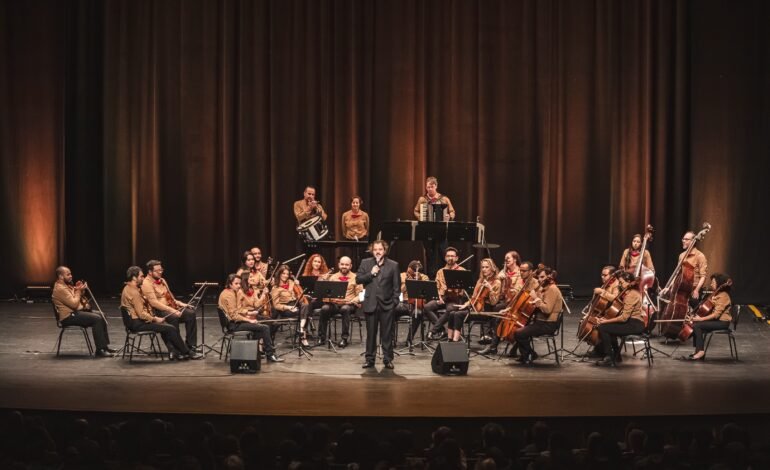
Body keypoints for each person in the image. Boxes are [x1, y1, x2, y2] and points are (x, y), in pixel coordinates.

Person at [121, 266, 202, 360]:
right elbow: (141, 314)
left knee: (168, 327)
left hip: (137, 321)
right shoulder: (134, 292)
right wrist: (155, 319)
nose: (142, 278)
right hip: (137, 323)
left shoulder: (129, 288)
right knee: (170, 328)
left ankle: (183, 351)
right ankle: (186, 352)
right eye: (141, 276)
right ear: (134, 278)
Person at [51, 266, 115, 357]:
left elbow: (76, 298)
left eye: (71, 274)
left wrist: (79, 289)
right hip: (68, 317)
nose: (71, 276)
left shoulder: (66, 285)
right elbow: (74, 304)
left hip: (74, 313)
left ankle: (104, 347)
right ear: (61, 276)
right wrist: (78, 291)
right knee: (97, 319)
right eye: (68, 274)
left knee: (102, 315)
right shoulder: (60, 288)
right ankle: (100, 350)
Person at [218, 273, 283, 362]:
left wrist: (248, 313)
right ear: (230, 284)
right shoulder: (229, 295)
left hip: (237, 321)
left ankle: (258, 349)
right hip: (234, 325)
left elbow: (238, 310)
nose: (238, 286)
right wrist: (249, 320)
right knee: (265, 328)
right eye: (236, 284)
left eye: (239, 284)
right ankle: (270, 354)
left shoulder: (232, 292)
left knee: (267, 324)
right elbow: (234, 316)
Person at [356, 240, 400, 369]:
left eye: (380, 249)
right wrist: (371, 273)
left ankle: (387, 359)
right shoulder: (366, 263)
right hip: (371, 303)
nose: (378, 252)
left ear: (384, 250)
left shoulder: (393, 265)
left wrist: (394, 303)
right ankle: (370, 359)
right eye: (375, 249)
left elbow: (396, 287)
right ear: (372, 250)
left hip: (387, 304)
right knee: (371, 334)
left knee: (387, 334)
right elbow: (358, 279)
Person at [480, 260, 537, 356]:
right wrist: (508, 308)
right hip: (519, 310)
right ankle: (493, 347)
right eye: (521, 271)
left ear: (531, 271)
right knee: (500, 318)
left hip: (530, 313)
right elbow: (515, 301)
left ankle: (516, 347)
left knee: (515, 327)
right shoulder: (522, 282)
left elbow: (532, 302)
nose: (521, 273)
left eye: (524, 271)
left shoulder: (534, 283)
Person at [141, 260, 199, 353]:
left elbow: (171, 298)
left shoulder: (162, 281)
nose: (160, 272)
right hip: (158, 311)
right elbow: (154, 303)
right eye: (158, 270)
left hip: (170, 307)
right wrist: (172, 310)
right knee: (174, 317)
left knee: (190, 314)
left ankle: (191, 345)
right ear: (150, 272)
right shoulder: (146, 283)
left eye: (161, 269)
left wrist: (182, 304)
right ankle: (177, 348)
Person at [514, 265, 563, 364]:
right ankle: (527, 354)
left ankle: (529, 354)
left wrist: (536, 298)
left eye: (542, 277)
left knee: (519, 333)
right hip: (540, 322)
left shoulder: (552, 289)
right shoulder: (544, 288)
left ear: (549, 276)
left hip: (548, 324)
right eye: (539, 277)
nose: (540, 280)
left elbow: (547, 309)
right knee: (518, 329)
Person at [595, 272, 645, 366]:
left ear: (629, 282)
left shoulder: (631, 295)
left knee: (603, 327)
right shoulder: (632, 292)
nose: (620, 285)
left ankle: (609, 357)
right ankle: (617, 356)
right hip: (632, 322)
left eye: (621, 283)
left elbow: (623, 318)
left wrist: (605, 321)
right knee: (609, 328)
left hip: (634, 324)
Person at [449, 258, 501, 343]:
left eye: (487, 267)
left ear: (492, 268)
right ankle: (449, 339)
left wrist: (490, 288)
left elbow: (494, 302)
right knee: (452, 313)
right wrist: (466, 304)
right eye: (483, 267)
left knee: (458, 314)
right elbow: (474, 297)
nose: (484, 269)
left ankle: (455, 341)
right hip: (476, 307)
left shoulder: (497, 282)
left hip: (486, 311)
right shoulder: (480, 280)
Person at [413, 176, 456, 275]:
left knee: (443, 253)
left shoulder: (444, 199)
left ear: (436, 186)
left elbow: (452, 211)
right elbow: (415, 211)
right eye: (427, 187)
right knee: (429, 254)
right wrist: (421, 217)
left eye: (431, 187)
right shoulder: (422, 199)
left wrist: (449, 216)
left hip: (441, 230)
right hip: (427, 230)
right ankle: (430, 276)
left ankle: (444, 275)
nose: (429, 189)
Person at [317, 256, 363, 348]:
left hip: (348, 305)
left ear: (350, 266)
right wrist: (330, 299)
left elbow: (360, 294)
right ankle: (322, 337)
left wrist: (351, 301)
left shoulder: (356, 277)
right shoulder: (333, 277)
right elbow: (326, 294)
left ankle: (344, 338)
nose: (344, 266)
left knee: (345, 309)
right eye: (342, 264)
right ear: (339, 265)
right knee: (324, 308)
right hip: (335, 304)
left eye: (346, 264)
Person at [687, 273, 733, 361]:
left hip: (722, 323)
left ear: (719, 284)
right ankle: (698, 350)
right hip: (717, 321)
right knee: (696, 324)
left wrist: (701, 319)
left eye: (713, 282)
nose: (711, 284)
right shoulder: (715, 294)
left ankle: (700, 351)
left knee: (698, 325)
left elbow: (716, 314)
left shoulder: (724, 296)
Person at [425, 247, 466, 340]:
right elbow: (437, 287)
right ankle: (442, 330)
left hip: (455, 299)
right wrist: (439, 297)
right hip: (443, 297)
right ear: (445, 258)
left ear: (457, 258)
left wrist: (456, 288)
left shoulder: (462, 271)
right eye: (448, 256)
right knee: (427, 307)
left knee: (450, 310)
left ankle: (433, 330)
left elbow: (464, 291)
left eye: (452, 256)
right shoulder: (440, 271)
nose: (450, 258)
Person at [394, 260, 434, 346]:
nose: (415, 272)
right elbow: (397, 291)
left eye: (417, 270)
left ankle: (409, 339)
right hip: (403, 302)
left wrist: (418, 280)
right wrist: (407, 282)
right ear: (408, 268)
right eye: (413, 269)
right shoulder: (401, 276)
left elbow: (427, 292)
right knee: (390, 310)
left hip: (415, 303)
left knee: (418, 313)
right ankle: (390, 339)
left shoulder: (424, 277)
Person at [270, 265, 311, 347]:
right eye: (283, 273)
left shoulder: (291, 282)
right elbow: (276, 305)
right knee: (305, 313)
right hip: (285, 308)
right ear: (279, 274)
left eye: (287, 274)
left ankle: (301, 328)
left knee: (306, 305)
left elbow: (298, 294)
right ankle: (303, 336)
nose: (285, 276)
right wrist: (288, 307)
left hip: (295, 304)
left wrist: (298, 286)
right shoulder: (275, 287)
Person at [587, 265, 621, 358]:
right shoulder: (606, 284)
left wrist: (602, 292)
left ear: (612, 276)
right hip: (605, 311)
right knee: (593, 321)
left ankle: (604, 351)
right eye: (601, 275)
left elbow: (615, 298)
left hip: (613, 313)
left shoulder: (617, 285)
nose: (602, 277)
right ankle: (598, 349)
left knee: (600, 325)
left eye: (605, 275)